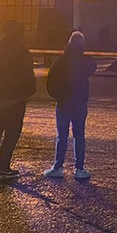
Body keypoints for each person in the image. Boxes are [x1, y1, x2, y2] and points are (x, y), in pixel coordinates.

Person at [0, 21, 35, 181]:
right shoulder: (21, 49)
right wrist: (29, 91)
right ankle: (3, 167)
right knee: (12, 133)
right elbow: (27, 73)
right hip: (15, 97)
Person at [44, 31, 97, 180]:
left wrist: (57, 94)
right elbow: (93, 65)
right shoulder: (86, 62)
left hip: (63, 102)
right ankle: (79, 168)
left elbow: (51, 81)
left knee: (62, 136)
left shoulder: (61, 61)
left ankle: (58, 166)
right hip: (80, 102)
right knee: (79, 136)